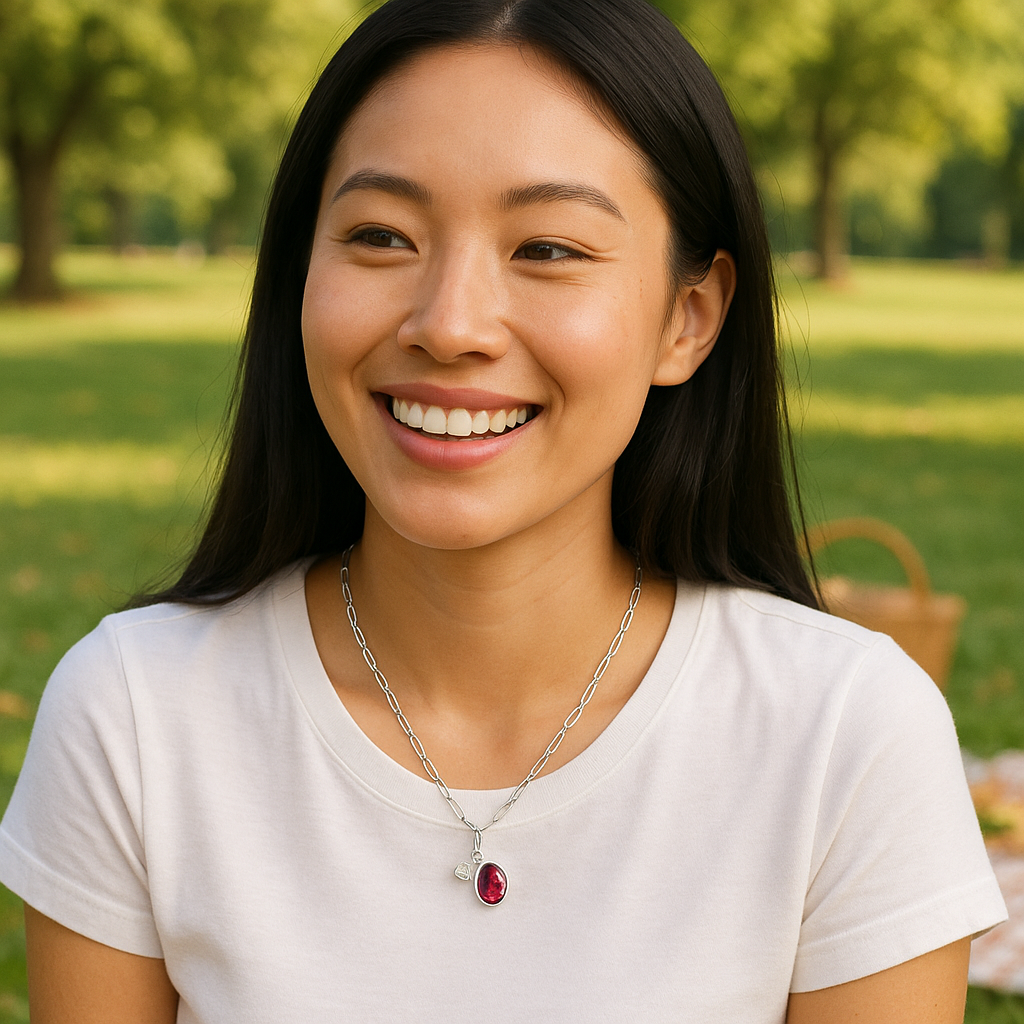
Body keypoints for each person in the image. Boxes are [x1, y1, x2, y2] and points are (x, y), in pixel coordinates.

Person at [0, 0, 1005, 1020]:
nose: (450, 325)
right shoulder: (135, 716)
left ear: (687, 319)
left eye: (549, 249)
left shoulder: (846, 735)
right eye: (381, 234)